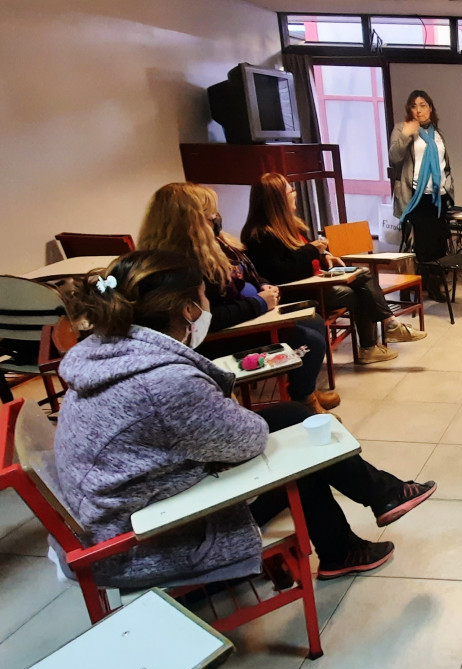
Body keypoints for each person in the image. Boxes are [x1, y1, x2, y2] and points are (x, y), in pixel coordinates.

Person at [53, 250, 436, 588]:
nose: (207, 308)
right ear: (187, 310)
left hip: (127, 514)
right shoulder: (162, 380)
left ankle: (373, 506)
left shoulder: (106, 351)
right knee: (296, 454)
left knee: (291, 415)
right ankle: (358, 525)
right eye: (204, 298)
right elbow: (248, 439)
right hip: (145, 542)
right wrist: (227, 409)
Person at [137, 182, 337, 414]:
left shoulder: (220, 245)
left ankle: (305, 391)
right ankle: (303, 400)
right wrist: (259, 303)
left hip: (249, 314)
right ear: (191, 222)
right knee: (309, 340)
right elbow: (208, 319)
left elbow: (250, 272)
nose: (217, 218)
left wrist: (262, 285)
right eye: (211, 213)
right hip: (220, 336)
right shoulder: (181, 267)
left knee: (313, 321)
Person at [242, 172, 425, 365]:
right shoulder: (260, 236)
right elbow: (284, 272)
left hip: (315, 283)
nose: (295, 194)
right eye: (290, 190)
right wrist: (313, 249)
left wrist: (324, 256)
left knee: (361, 278)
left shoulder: (290, 226)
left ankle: (378, 338)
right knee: (362, 286)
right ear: (277, 199)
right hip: (297, 293)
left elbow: (300, 255)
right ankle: (381, 334)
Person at [388, 89, 454, 301]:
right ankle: (412, 287)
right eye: (414, 106)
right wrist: (407, 134)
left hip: (438, 197)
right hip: (415, 197)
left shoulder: (438, 134)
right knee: (419, 246)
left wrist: (449, 189)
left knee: (439, 244)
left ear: (430, 108)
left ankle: (434, 286)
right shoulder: (402, 129)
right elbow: (394, 158)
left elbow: (445, 165)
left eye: (423, 105)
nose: (418, 110)